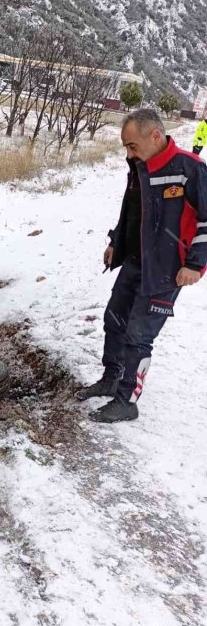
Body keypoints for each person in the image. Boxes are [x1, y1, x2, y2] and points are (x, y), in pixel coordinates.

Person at [77, 108, 207, 423]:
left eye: (132, 145)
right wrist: (115, 242)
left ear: (155, 136)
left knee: (138, 335)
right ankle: (110, 377)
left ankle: (126, 401)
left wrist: (195, 265)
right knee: (114, 319)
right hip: (135, 262)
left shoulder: (190, 169)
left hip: (166, 270)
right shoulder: (139, 168)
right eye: (125, 146)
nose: (128, 152)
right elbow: (131, 211)